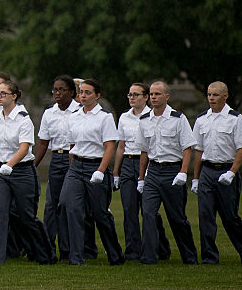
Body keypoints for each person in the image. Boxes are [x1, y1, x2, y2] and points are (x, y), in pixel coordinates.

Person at [0, 79, 54, 265]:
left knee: (26, 217)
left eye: (3, 94)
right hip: (2, 170)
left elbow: (24, 148)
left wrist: (10, 164)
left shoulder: (23, 119)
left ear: (14, 96)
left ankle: (44, 253)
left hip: (22, 171)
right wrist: (2, 165)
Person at [58, 78, 123, 265]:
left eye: (88, 92)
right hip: (76, 167)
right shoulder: (75, 116)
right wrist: (72, 169)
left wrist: (101, 170)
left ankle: (115, 255)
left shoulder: (104, 117)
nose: (83, 96)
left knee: (99, 213)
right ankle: (76, 257)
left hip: (96, 167)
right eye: (81, 92)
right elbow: (72, 145)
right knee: (69, 207)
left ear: (97, 95)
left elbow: (110, 146)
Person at [138, 80, 198, 265]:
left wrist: (182, 172)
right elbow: (144, 151)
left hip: (173, 171)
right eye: (151, 94)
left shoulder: (177, 118)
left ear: (166, 96)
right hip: (153, 172)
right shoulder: (144, 120)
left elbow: (187, 147)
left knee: (177, 218)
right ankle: (149, 257)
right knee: (148, 213)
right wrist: (141, 177)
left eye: (157, 94)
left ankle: (189, 256)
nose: (153, 97)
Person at [113, 82, 170, 261]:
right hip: (128, 163)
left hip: (146, 163)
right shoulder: (124, 117)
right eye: (130, 94)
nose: (131, 98)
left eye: (136, 94)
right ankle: (133, 251)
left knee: (148, 210)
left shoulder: (152, 116)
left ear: (146, 97)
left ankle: (159, 247)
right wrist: (116, 172)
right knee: (129, 208)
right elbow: (121, 146)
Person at [191, 81, 242, 263]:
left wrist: (232, 172)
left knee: (230, 217)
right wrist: (195, 178)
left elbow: (241, 149)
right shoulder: (201, 119)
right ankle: (209, 257)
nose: (211, 98)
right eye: (209, 94)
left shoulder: (235, 119)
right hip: (207, 171)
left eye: (215, 95)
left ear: (225, 96)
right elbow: (198, 150)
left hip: (226, 171)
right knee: (205, 216)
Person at [33, 75, 81, 259]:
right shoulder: (49, 113)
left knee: (66, 203)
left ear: (71, 92)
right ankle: (48, 248)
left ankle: (68, 249)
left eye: (62, 90)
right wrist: (32, 166)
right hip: (56, 160)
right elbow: (43, 143)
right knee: (52, 205)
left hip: (73, 160)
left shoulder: (79, 112)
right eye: (55, 90)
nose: (57, 93)